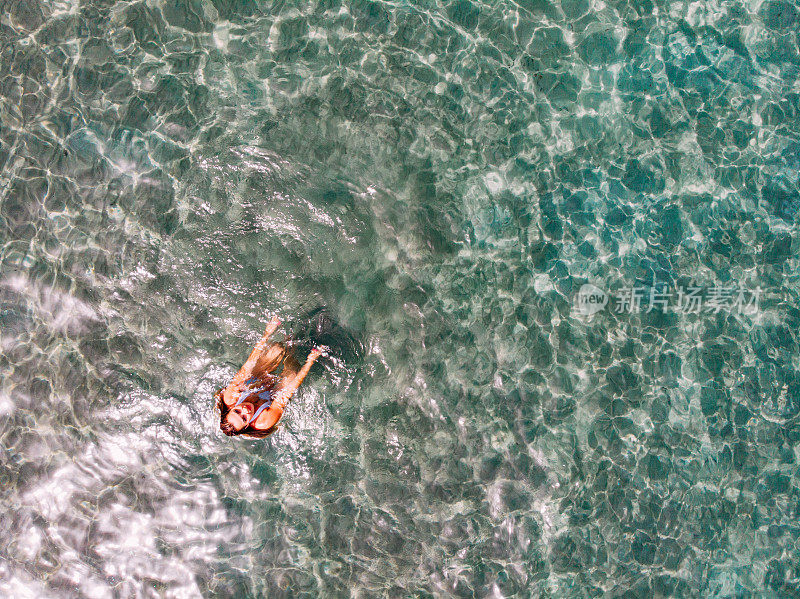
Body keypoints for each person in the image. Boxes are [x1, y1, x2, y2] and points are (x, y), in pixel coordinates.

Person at [215, 315, 324, 438]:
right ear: (247, 426)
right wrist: (309, 362)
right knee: (292, 372)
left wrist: (267, 334)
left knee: (276, 349)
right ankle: (294, 347)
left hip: (255, 381)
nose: (245, 410)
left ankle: (288, 338)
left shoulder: (230, 397)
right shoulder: (263, 421)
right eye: (244, 418)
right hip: (271, 398)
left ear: (230, 409)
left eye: (237, 411)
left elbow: (248, 366)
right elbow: (286, 394)